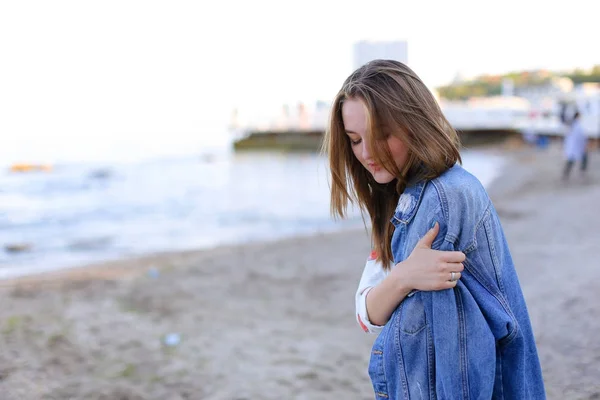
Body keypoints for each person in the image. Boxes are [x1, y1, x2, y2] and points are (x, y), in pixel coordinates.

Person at [323, 59, 546, 399]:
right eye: (354, 140)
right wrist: (402, 277)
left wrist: (398, 281)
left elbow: (446, 347)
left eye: (381, 135)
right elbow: (366, 312)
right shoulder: (399, 197)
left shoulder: (441, 200)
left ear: (413, 123)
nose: (366, 154)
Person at [563, 111, 588, 180]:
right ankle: (581, 172)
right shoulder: (576, 125)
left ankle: (567, 173)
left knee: (572, 159)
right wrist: (584, 144)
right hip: (575, 146)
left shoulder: (573, 124)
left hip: (574, 146)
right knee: (572, 159)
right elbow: (581, 136)